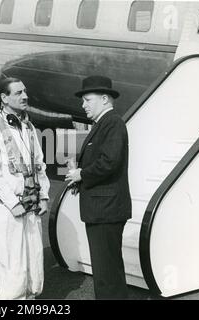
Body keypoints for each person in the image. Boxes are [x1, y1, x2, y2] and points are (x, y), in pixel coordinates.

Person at [0, 78, 50, 300]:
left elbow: (40, 165)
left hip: (31, 206)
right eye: (18, 92)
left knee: (34, 268)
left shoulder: (28, 127)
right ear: (4, 98)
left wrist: (44, 196)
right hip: (9, 209)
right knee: (13, 271)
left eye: (25, 91)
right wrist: (13, 203)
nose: (25, 96)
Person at [65, 75, 132, 299]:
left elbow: (109, 162)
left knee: (106, 273)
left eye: (87, 100)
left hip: (106, 210)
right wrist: (80, 178)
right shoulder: (106, 123)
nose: (83, 105)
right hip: (104, 208)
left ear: (104, 99)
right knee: (108, 270)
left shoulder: (112, 123)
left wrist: (81, 174)